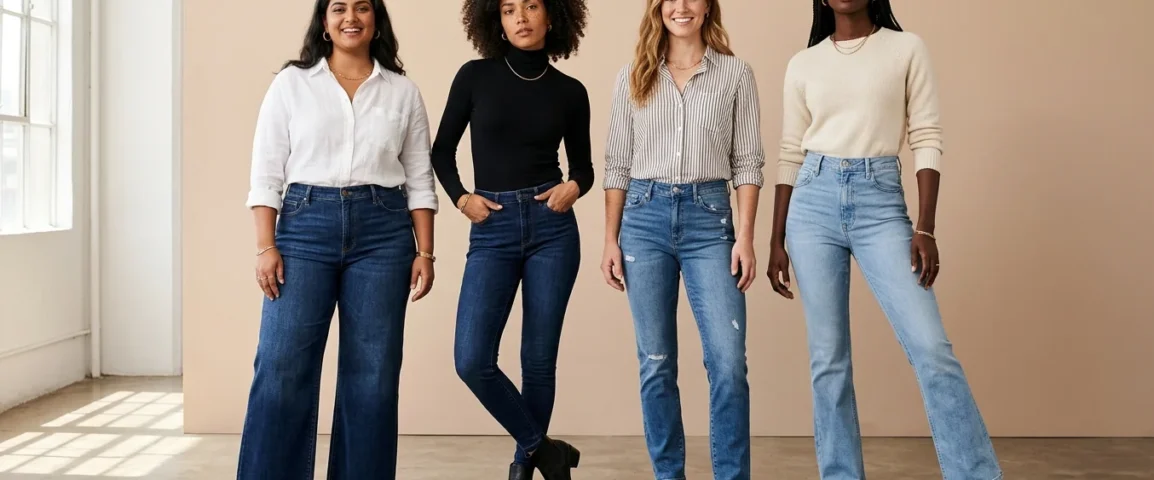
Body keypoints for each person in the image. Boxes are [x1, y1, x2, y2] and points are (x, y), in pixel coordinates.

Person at [764, 0, 1003, 478]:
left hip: (880, 202)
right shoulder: (804, 62)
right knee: (828, 361)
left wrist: (926, 226)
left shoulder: (905, 49)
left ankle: (976, 474)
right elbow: (791, 150)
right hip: (812, 203)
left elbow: (926, 134)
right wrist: (776, 238)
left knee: (931, 348)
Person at [237, 1, 438, 479]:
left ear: (376, 20)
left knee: (372, 377)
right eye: (339, 8)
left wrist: (425, 251)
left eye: (362, 7)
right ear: (324, 22)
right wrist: (266, 247)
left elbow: (419, 179)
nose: (351, 17)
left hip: (384, 233)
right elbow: (266, 173)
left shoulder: (402, 92)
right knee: (282, 369)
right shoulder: (291, 84)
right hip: (305, 227)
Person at [599, 0, 764, 478]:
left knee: (729, 365)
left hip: (710, 221)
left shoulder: (736, 74)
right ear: (659, 8)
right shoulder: (632, 76)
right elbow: (617, 165)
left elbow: (748, 163)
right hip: (643, 221)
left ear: (709, 7)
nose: (682, 6)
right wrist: (610, 239)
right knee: (656, 363)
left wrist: (746, 237)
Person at [430, 1, 592, 479]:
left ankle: (523, 467)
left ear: (553, 16)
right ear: (494, 20)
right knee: (472, 358)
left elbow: (582, 166)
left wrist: (573, 187)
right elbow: (441, 150)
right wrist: (461, 199)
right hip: (493, 227)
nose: (520, 17)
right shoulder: (475, 76)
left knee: (538, 361)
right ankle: (546, 450)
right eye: (507, 9)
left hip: (552, 229)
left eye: (531, 6)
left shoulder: (570, 91)